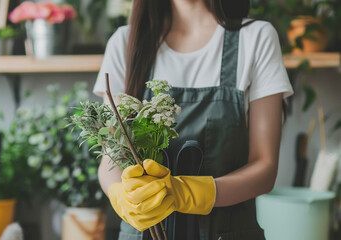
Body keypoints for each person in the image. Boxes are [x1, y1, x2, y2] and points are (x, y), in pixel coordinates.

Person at [93, 0, 293, 239]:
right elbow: (111, 160)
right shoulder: (125, 43)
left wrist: (186, 193)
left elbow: (265, 167)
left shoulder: (256, 38)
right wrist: (120, 195)